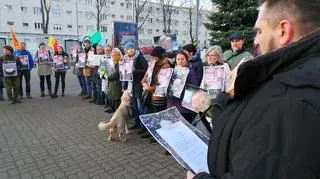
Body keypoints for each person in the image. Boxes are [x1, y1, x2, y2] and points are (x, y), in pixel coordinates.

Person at [190, 0, 320, 178]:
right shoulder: (291, 77)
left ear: (283, 31)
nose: (256, 41)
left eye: (259, 31)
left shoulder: (289, 103)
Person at [123, 42, 148, 129]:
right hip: (131, 86)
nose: (130, 50)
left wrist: (135, 70)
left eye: (132, 48)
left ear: (135, 49)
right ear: (126, 51)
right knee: (134, 107)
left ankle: (143, 126)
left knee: (140, 106)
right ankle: (136, 123)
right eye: (128, 49)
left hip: (138, 86)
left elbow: (146, 71)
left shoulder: (140, 58)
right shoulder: (125, 59)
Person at [167, 51, 198, 123]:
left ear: (187, 60)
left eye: (182, 59)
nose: (180, 61)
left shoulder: (190, 72)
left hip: (184, 107)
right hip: (171, 104)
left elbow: (194, 87)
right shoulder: (172, 71)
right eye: (178, 59)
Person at [106, 48, 123, 112]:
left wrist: (108, 77)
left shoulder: (120, 61)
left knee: (116, 96)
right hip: (111, 81)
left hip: (117, 81)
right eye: (113, 52)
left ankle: (117, 111)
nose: (114, 53)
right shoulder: (111, 61)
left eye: (116, 52)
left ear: (119, 53)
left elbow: (117, 73)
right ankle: (112, 108)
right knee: (111, 95)